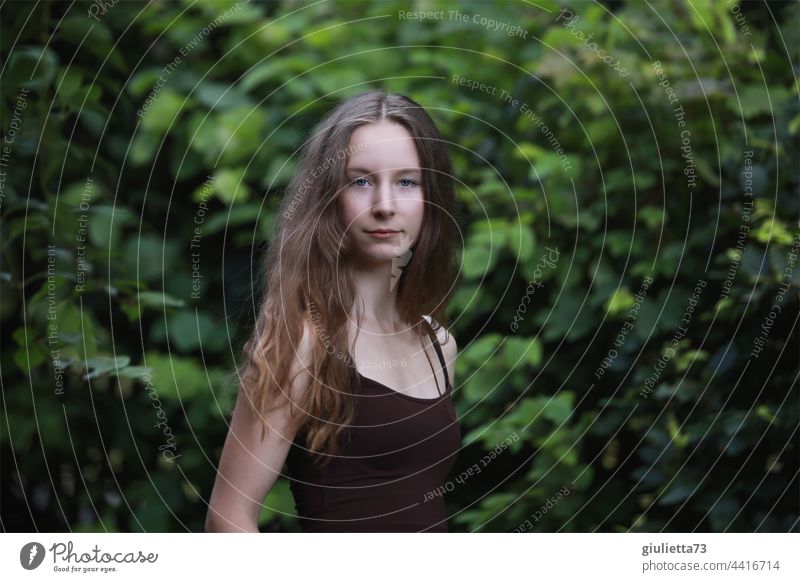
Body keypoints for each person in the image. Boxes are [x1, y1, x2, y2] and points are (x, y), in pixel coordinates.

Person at [206, 90, 461, 532]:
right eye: (361, 181)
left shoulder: (438, 344)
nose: (385, 205)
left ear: (430, 196)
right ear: (329, 198)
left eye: (406, 181)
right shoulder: (305, 343)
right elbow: (227, 518)